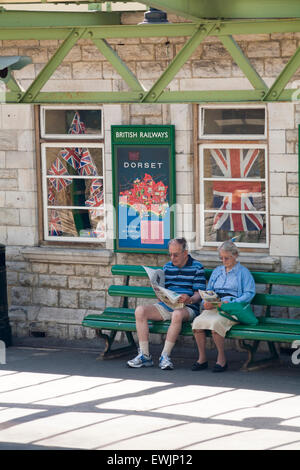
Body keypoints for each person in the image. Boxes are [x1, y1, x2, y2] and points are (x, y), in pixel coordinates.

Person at [127, 237, 206, 370]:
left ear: (185, 253)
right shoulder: (167, 267)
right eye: (170, 254)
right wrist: (160, 294)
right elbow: (163, 290)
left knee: (176, 315)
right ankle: (145, 355)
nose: (172, 258)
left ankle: (165, 356)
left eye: (175, 255)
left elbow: (199, 294)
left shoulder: (197, 267)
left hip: (187, 307)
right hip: (167, 305)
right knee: (140, 311)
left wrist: (190, 298)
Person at [191, 240, 255, 373]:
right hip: (215, 305)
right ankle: (202, 359)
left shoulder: (243, 272)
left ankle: (221, 359)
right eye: (221, 258)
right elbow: (209, 290)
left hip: (231, 308)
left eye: (227, 258)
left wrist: (231, 302)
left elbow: (249, 293)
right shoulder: (217, 271)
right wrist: (206, 302)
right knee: (197, 323)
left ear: (235, 255)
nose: (224, 261)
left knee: (216, 324)